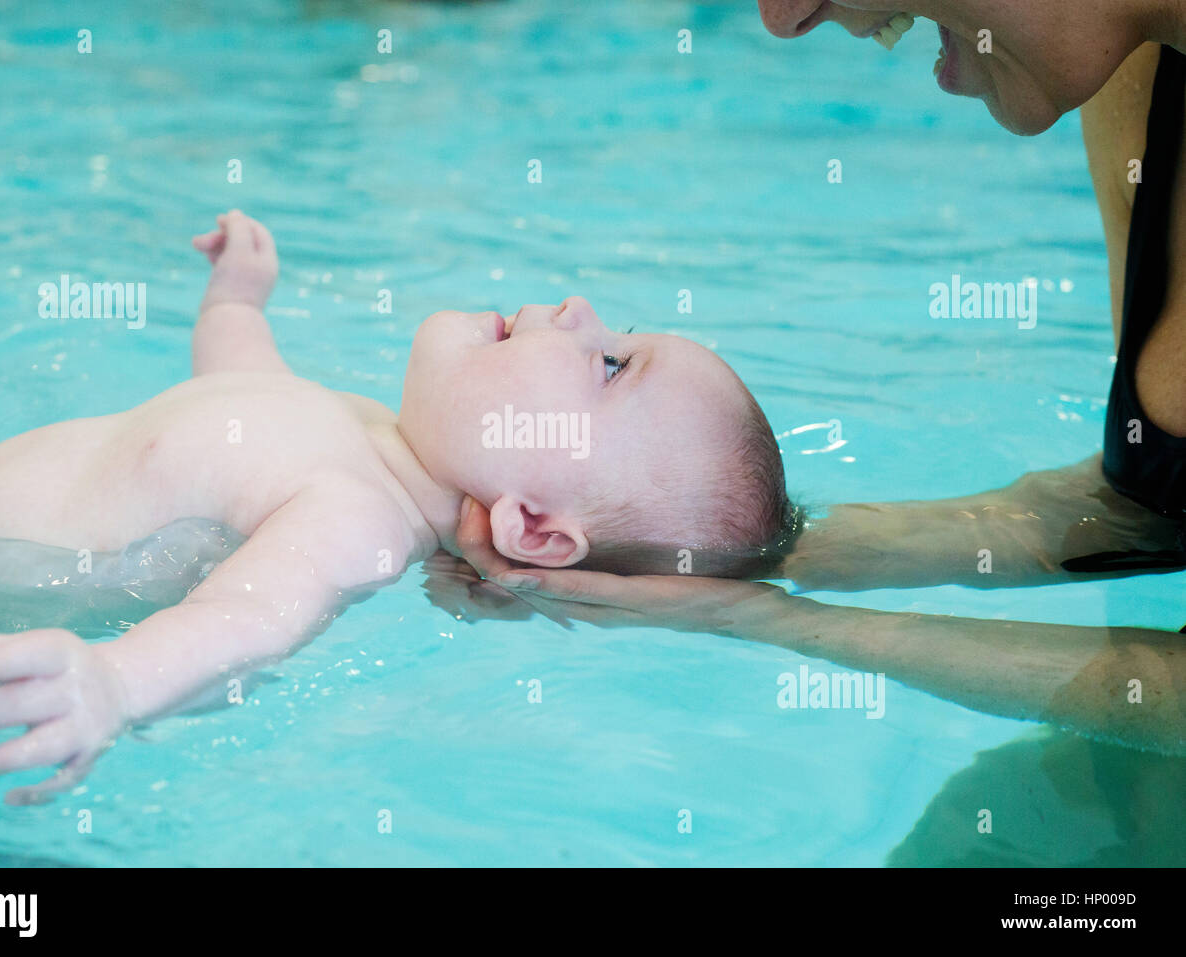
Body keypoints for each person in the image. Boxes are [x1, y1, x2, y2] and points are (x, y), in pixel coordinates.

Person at [444, 1, 1186, 755]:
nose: (782, 17)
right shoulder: (1137, 76)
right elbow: (1148, 515)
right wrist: (728, 563)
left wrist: (768, 619)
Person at [0, 210, 786, 803]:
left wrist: (115, 683)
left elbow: (243, 620)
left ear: (536, 528)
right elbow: (239, 389)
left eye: (611, 362)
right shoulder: (364, 435)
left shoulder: (358, 524)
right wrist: (237, 303)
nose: (582, 308)